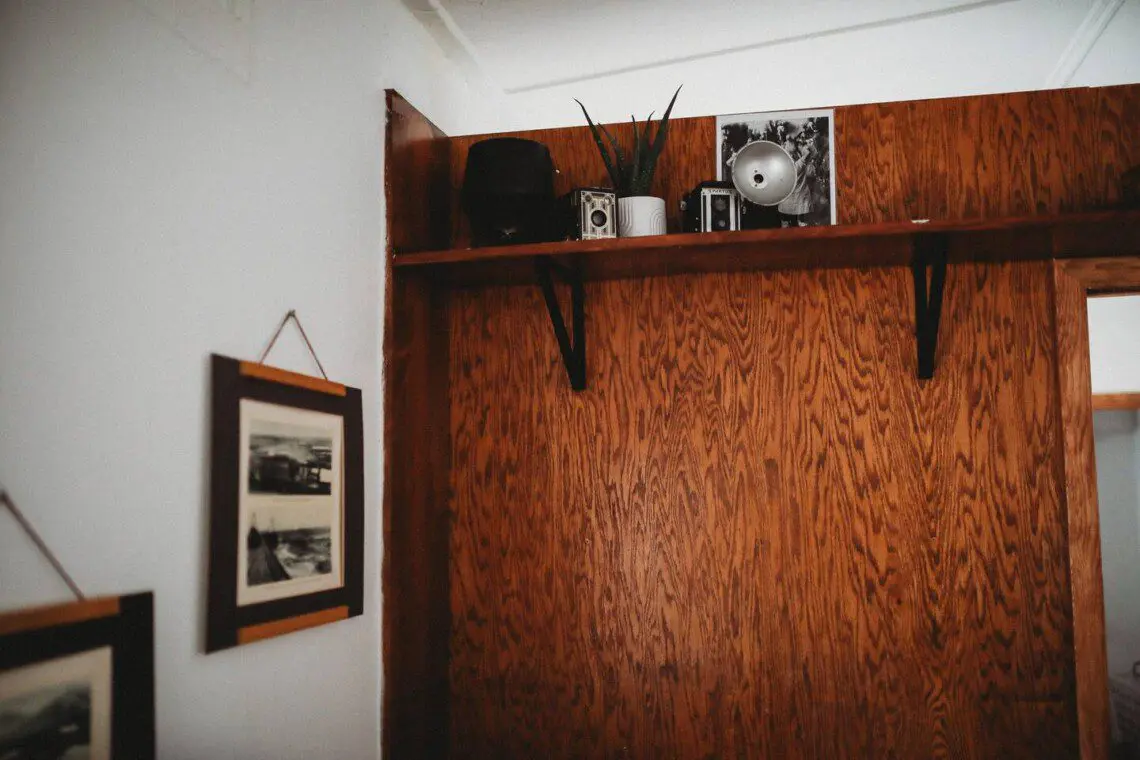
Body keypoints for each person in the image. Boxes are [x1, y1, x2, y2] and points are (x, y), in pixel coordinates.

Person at [778, 124, 814, 227]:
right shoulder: (782, 150)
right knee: (788, 226)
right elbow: (791, 171)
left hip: (801, 194)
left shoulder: (799, 146)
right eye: (799, 135)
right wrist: (804, 159)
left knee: (802, 226)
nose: (801, 137)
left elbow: (814, 154)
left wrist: (809, 147)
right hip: (788, 197)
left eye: (802, 135)